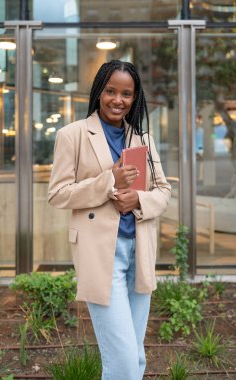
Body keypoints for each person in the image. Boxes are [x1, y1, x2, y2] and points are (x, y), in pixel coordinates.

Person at [48, 60, 171, 380]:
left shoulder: (141, 138)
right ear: (99, 92)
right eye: (111, 91)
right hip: (101, 253)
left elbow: (163, 191)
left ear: (135, 98)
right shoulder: (72, 135)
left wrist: (139, 200)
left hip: (139, 251)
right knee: (123, 359)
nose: (118, 99)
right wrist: (108, 183)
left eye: (127, 94)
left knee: (135, 357)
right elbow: (58, 194)